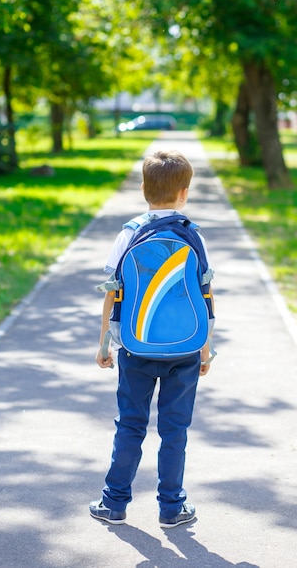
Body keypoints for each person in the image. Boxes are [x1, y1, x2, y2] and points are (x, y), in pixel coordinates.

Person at [89, 149, 215, 528]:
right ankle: (172, 507)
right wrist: (205, 350)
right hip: (185, 350)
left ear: (144, 189)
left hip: (134, 346)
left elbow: (111, 291)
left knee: (130, 424)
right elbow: (204, 298)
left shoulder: (129, 233)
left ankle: (114, 503)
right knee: (174, 430)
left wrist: (103, 344)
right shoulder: (193, 235)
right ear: (184, 193)